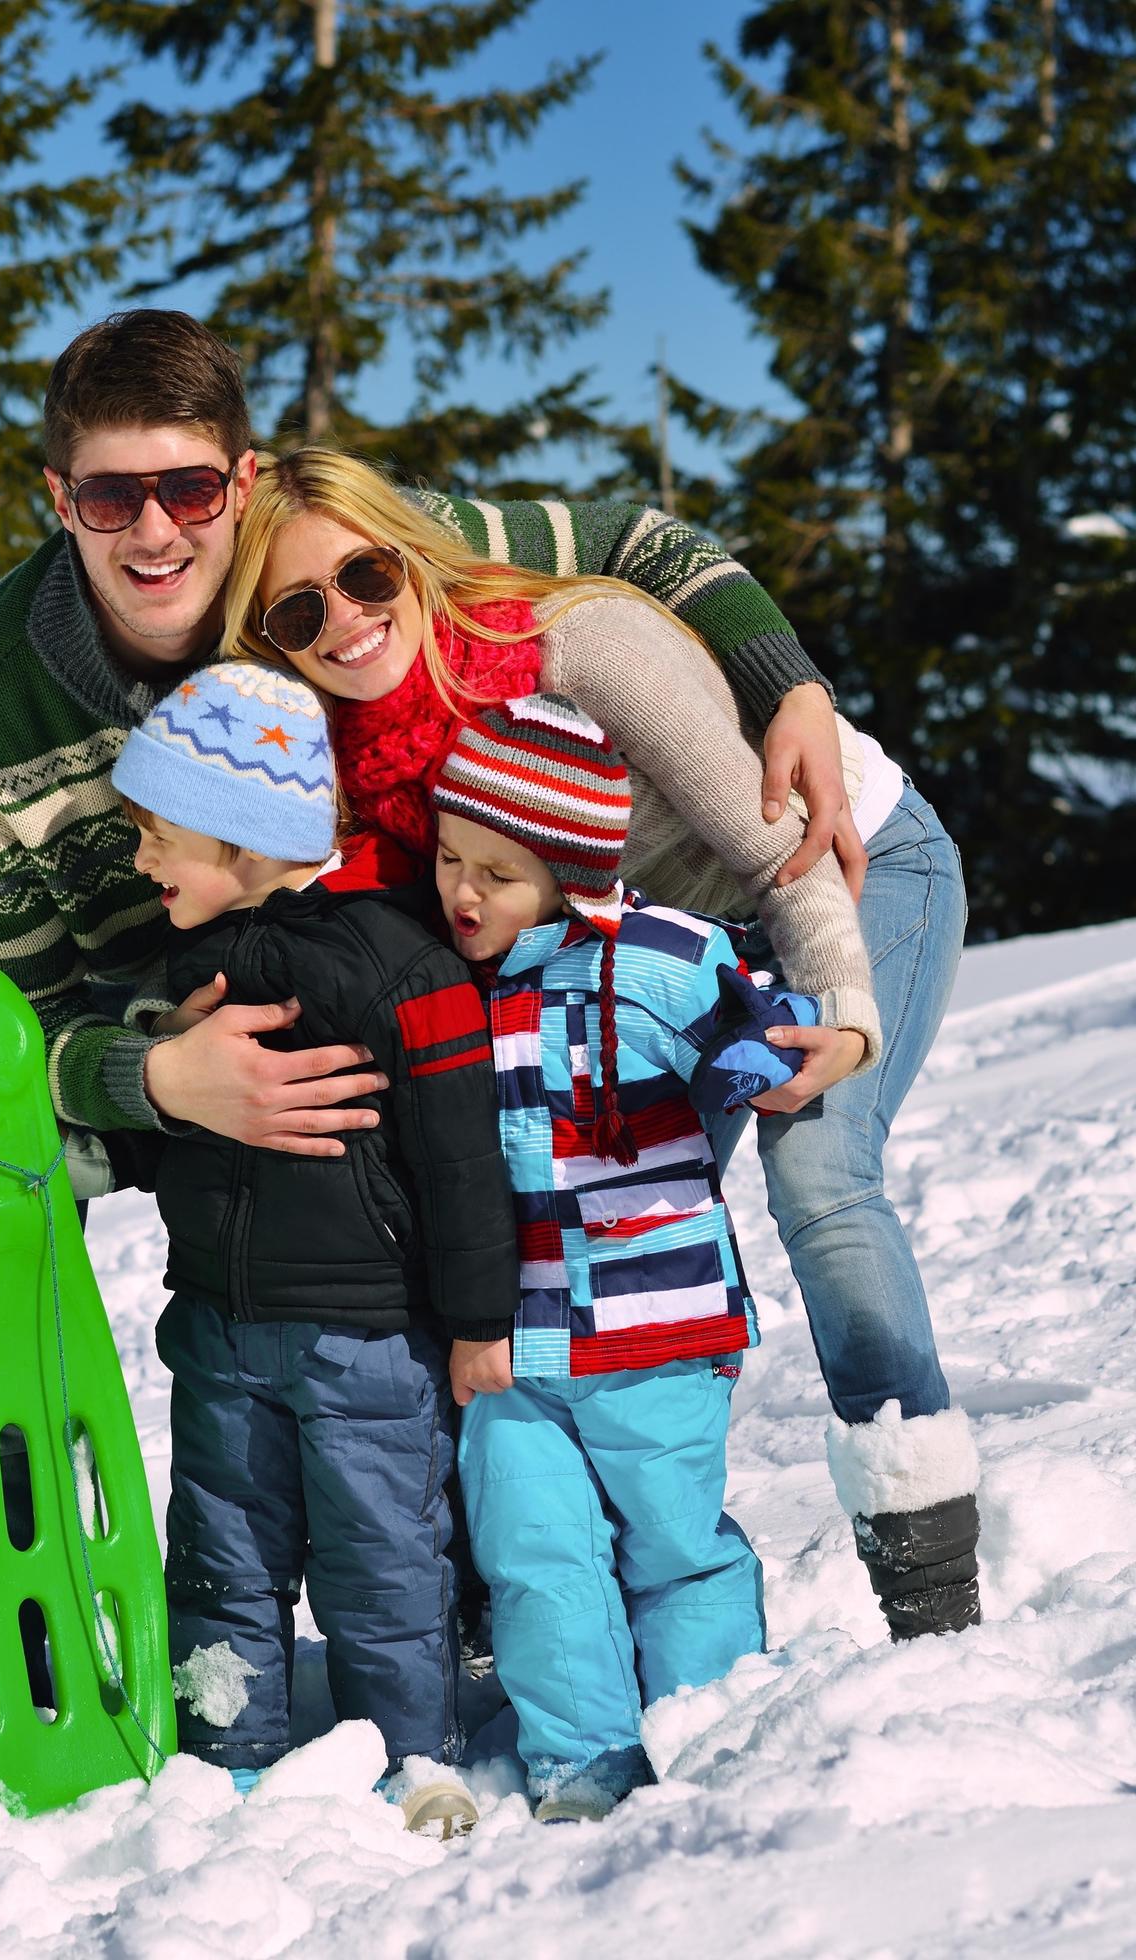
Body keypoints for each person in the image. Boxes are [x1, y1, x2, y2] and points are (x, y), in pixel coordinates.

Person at [0, 309, 860, 1257]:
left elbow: (631, 544)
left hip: (266, 919)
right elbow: (9, 1044)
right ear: (59, 498)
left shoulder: (341, 568)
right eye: (108, 497)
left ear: (242, 478)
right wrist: (157, 1075)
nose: (154, 531)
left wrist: (792, 684)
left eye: (189, 489)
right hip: (22, 925)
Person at [229, 447, 984, 1639]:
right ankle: (530, 1582)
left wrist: (837, 1006)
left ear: (411, 554)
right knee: (538, 1195)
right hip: (651, 949)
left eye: (367, 573)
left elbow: (773, 848)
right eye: (299, 609)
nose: (348, 619)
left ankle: (931, 1588)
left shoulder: (576, 644)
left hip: (841, 872)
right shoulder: (353, 763)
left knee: (819, 1173)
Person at [110, 660, 515, 1837]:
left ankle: (418, 1754)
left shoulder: (408, 967)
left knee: (383, 1556)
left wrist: (480, 1318)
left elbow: (460, 1164)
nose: (139, 861)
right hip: (222, 1326)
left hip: (369, 1335)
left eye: (156, 835)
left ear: (240, 840)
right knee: (220, 1551)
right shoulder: (187, 972)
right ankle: (226, 1751)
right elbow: (147, 1137)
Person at [427, 696, 769, 1820]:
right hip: (510, 1349)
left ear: (570, 874)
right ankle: (582, 1764)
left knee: (673, 1544)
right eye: (448, 857)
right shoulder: (443, 988)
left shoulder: (659, 959)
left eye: (497, 873)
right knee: (534, 1555)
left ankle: (716, 1737)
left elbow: (754, 1012)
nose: (463, 894)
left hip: (657, 1329)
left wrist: (767, 1047)